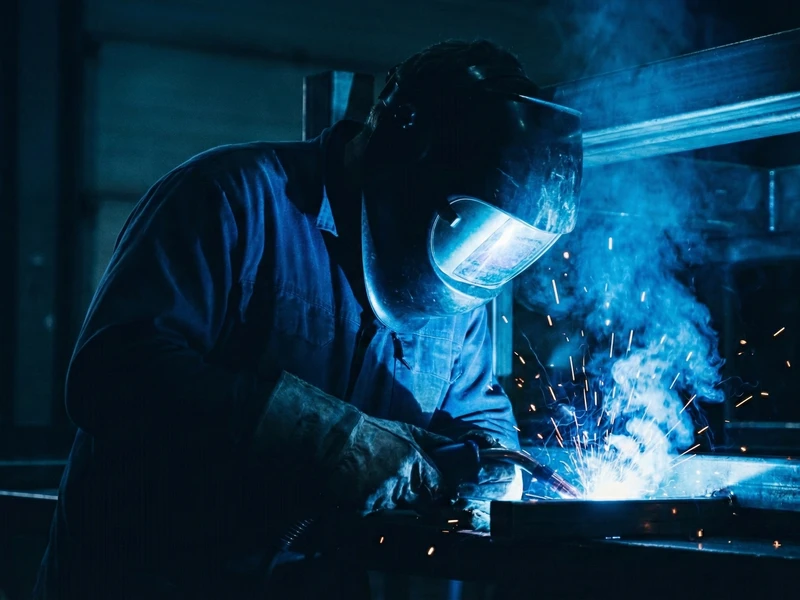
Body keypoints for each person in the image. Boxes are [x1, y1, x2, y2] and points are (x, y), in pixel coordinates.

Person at [34, 39, 582, 598]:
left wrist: (491, 468)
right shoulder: (232, 197)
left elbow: (478, 419)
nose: (472, 248)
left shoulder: (454, 287)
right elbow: (111, 374)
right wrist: (315, 433)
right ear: (404, 152)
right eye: (463, 221)